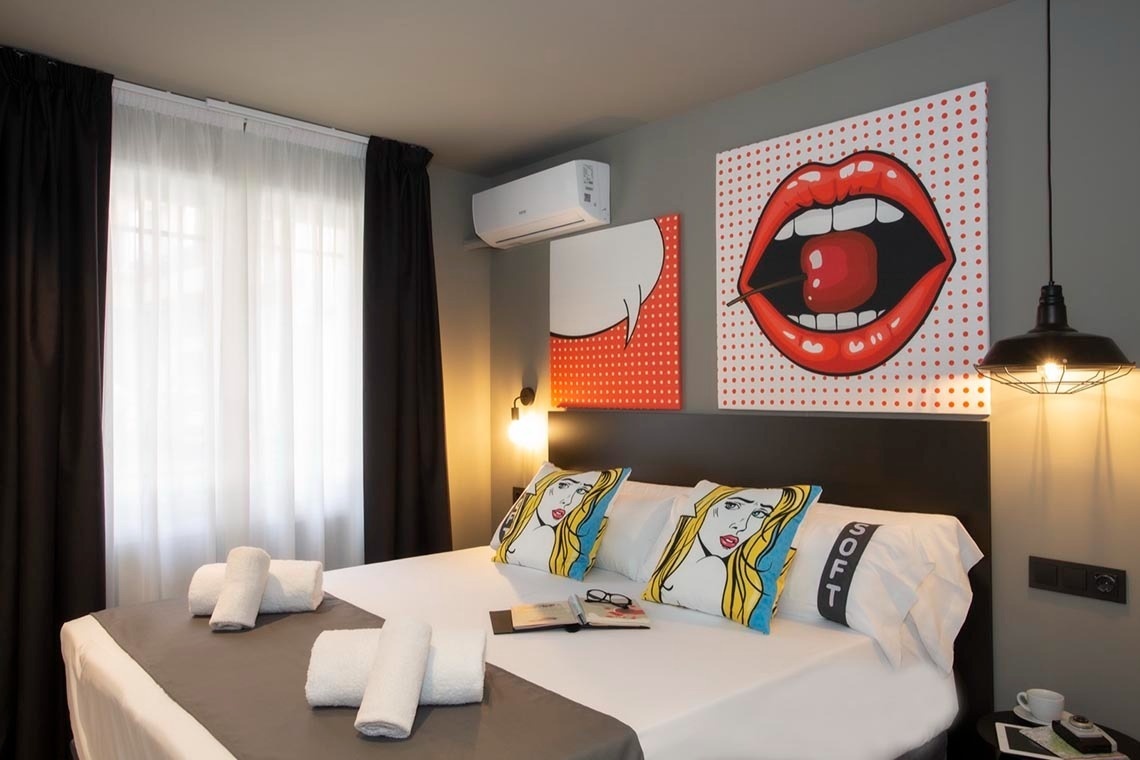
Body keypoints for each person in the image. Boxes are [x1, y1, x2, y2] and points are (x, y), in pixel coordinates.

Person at [644, 484, 815, 628]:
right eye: (732, 506)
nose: (741, 526)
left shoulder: (740, 584)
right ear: (705, 506)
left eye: (759, 514)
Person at [495, 468, 621, 577]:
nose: (567, 501)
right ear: (545, 486)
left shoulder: (562, 543)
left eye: (581, 491)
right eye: (563, 486)